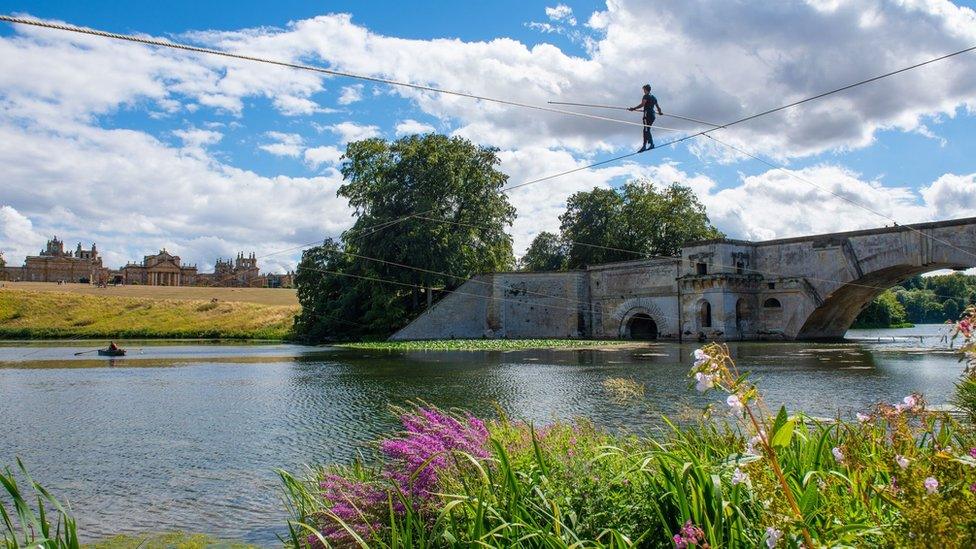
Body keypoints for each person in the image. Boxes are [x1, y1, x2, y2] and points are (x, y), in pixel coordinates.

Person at [628, 84, 663, 152]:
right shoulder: (654, 97)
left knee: (646, 130)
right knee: (647, 130)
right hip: (653, 115)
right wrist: (660, 112)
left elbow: (642, 104)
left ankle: (647, 145)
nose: (643, 91)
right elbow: (658, 107)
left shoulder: (646, 96)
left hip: (647, 115)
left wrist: (633, 108)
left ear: (646, 89)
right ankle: (648, 144)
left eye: (644, 89)